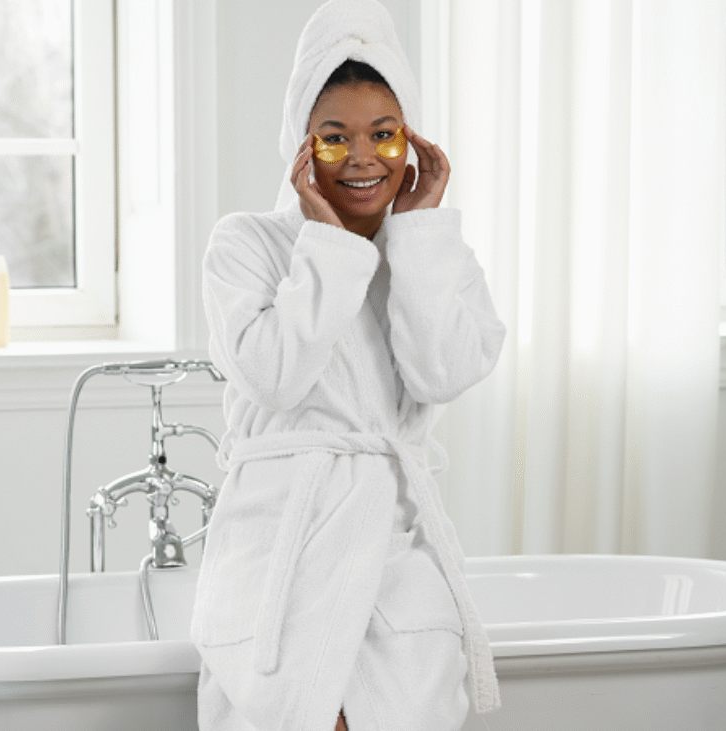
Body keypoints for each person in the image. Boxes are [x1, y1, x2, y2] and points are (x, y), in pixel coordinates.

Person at [190, 1, 506, 730]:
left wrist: (421, 232)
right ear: (301, 148)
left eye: (383, 134)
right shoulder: (245, 246)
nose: (363, 157)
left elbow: (442, 373)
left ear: (411, 141)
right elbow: (274, 374)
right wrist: (331, 245)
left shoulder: (433, 253)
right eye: (335, 139)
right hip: (283, 551)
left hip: (395, 556)